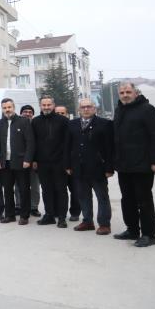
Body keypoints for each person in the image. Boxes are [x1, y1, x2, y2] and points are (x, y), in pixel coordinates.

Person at [112, 82, 155, 247]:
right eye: (122, 92)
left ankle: (149, 235)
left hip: (142, 165)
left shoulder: (147, 110)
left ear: (136, 93)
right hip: (124, 165)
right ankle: (132, 230)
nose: (125, 94)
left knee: (143, 201)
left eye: (128, 91)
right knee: (127, 200)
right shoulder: (120, 110)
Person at [65, 99, 114, 234]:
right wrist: (68, 165)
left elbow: (110, 148)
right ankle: (87, 221)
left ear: (94, 108)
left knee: (102, 197)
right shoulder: (72, 124)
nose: (86, 109)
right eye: (83, 107)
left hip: (98, 168)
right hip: (78, 168)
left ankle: (104, 224)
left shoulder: (105, 124)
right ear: (79, 109)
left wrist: (109, 168)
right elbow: (67, 147)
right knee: (83, 196)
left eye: (89, 107)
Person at [0, 98, 35, 225]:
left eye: (9, 107)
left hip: (21, 162)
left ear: (13, 107)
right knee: (8, 190)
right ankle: (10, 215)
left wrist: (28, 159)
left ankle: (24, 215)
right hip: (5, 162)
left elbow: (30, 142)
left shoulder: (24, 122)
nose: (7, 110)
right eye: (5, 108)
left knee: (23, 190)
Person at [31, 96, 71, 228]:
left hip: (60, 162)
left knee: (61, 190)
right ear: (40, 106)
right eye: (44, 105)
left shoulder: (64, 121)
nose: (46, 107)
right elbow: (33, 142)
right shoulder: (35, 121)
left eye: (49, 105)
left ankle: (61, 217)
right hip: (42, 163)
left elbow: (68, 143)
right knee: (46, 190)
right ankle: (49, 215)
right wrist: (34, 160)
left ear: (53, 105)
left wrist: (67, 162)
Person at [55, 105, 81, 220]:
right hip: (57, 163)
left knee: (75, 189)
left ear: (67, 114)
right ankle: (59, 211)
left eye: (62, 113)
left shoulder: (74, 126)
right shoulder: (51, 127)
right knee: (59, 190)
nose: (60, 116)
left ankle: (75, 212)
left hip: (72, 164)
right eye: (58, 113)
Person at [19, 104, 42, 217]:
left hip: (33, 161)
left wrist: (35, 160)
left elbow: (38, 145)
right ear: (21, 113)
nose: (27, 114)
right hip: (19, 161)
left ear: (33, 114)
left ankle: (34, 207)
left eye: (30, 112)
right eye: (25, 111)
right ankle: (19, 206)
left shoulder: (36, 125)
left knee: (35, 186)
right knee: (19, 186)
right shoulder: (16, 124)